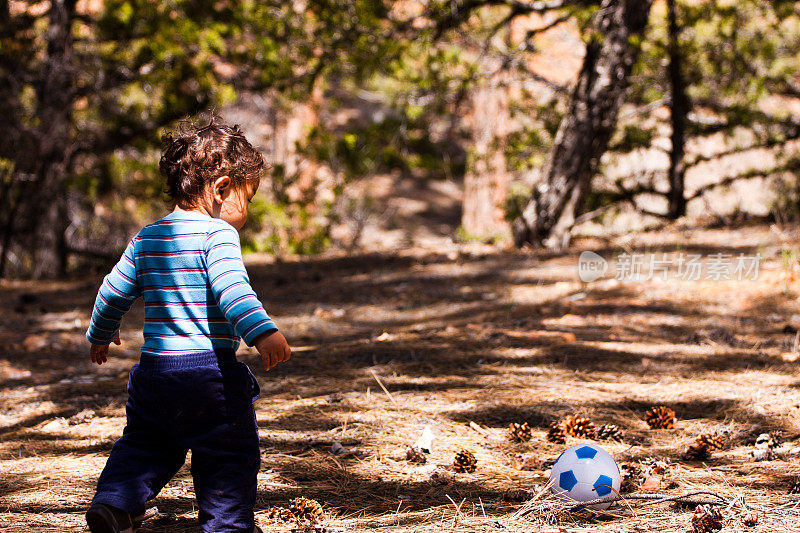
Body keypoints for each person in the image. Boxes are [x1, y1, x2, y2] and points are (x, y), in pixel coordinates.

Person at [83, 118, 291, 533]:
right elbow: (233, 291)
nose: (246, 213)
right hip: (209, 374)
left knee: (146, 442)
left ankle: (115, 504)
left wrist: (101, 332)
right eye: (247, 198)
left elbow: (112, 291)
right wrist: (263, 332)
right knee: (228, 452)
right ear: (221, 188)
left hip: (154, 374)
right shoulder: (217, 235)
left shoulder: (147, 237)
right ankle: (228, 525)